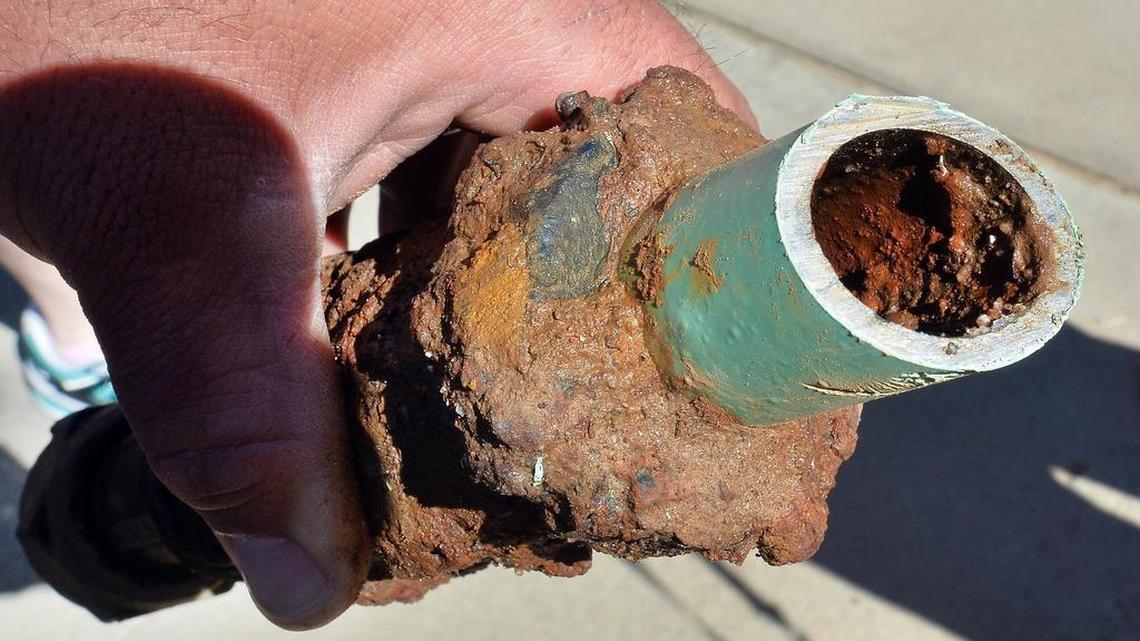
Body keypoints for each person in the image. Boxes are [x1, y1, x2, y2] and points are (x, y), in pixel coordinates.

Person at [0, 1, 756, 629]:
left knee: (96, 197)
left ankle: (91, 331)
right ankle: (85, 337)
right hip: (118, 500)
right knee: (90, 189)